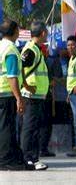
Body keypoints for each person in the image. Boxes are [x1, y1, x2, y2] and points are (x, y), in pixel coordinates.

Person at [0, 19, 34, 171]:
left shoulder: (1, 46)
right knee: (7, 128)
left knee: (4, 127)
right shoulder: (11, 50)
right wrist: (19, 98)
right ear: (14, 32)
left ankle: (13, 158)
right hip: (6, 93)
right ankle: (7, 160)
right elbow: (12, 76)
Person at [20, 21, 50, 170]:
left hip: (37, 96)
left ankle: (32, 157)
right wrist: (26, 85)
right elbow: (19, 69)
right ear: (43, 33)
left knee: (34, 128)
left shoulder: (37, 49)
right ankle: (28, 159)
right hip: (31, 96)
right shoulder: (31, 50)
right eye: (47, 32)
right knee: (30, 128)